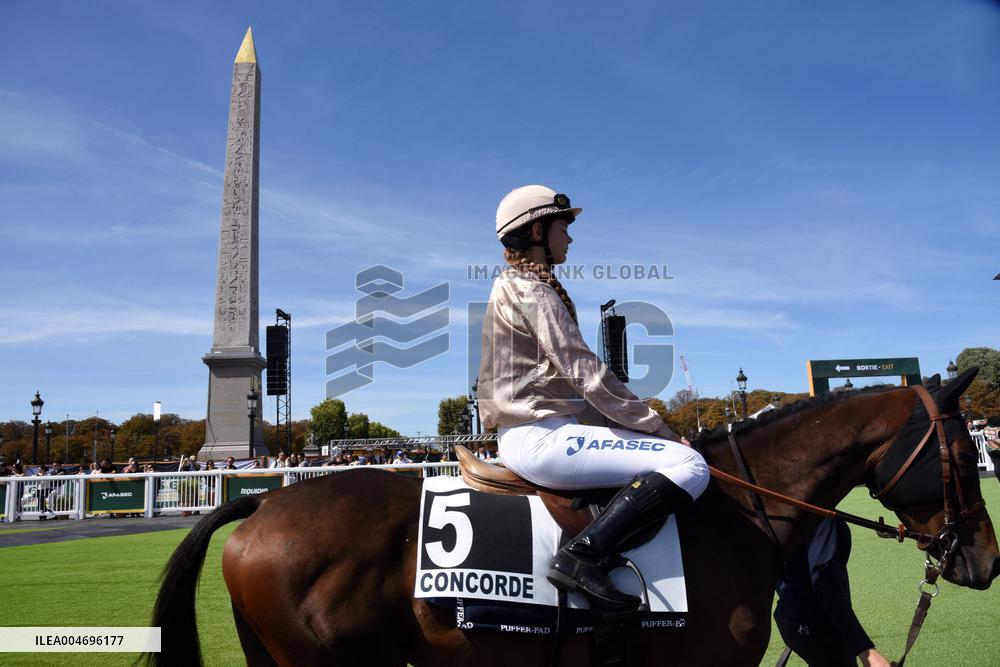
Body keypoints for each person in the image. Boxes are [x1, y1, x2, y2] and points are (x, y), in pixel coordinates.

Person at [478, 185, 709, 613]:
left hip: (538, 432)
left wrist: (626, 425)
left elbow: (577, 392)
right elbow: (585, 372)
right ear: (536, 232)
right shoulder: (531, 289)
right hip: (542, 438)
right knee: (689, 465)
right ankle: (582, 556)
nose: (570, 238)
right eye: (563, 228)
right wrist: (658, 427)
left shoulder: (522, 285)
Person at [774, 518, 890, 667]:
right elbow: (824, 583)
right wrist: (867, 652)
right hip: (820, 624)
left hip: (791, 618)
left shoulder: (785, 512)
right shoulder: (823, 518)